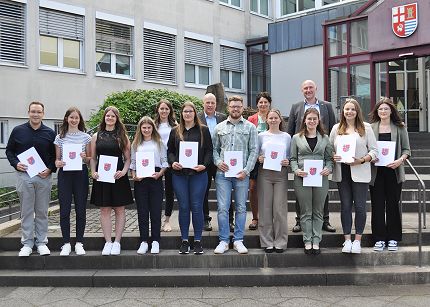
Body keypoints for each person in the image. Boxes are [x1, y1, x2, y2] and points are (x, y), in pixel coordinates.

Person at [6, 101, 56, 257]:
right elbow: (9, 151)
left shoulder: (49, 133)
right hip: (24, 176)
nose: (36, 114)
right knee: (26, 211)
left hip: (43, 177)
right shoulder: (17, 130)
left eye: (39, 112)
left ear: (43, 114)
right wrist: (16, 164)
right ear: (28, 113)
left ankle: (41, 243)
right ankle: (27, 243)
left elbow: (55, 156)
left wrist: (50, 169)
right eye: (33, 111)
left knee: (41, 211)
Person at [287, 80, 337, 233]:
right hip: (302, 153)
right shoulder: (296, 107)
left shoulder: (326, 106)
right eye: (305, 88)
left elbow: (333, 127)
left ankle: (325, 220)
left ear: (316, 89)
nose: (308, 90)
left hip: (321, 151)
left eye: (311, 88)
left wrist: (332, 151)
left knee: (322, 192)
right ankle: (299, 221)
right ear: (302, 90)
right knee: (301, 192)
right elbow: (290, 131)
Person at [330, 98, 378, 254]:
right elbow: (329, 149)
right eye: (346, 109)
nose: (349, 112)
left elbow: (374, 151)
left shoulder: (366, 128)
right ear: (342, 111)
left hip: (360, 171)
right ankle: (347, 240)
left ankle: (357, 240)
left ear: (357, 112)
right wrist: (333, 156)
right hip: (342, 171)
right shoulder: (336, 128)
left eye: (352, 109)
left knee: (360, 206)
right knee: (345, 206)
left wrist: (362, 160)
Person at [213, 95, 258, 254]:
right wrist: (219, 162)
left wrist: (246, 170)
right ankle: (224, 241)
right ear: (228, 108)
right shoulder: (219, 127)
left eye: (238, 106)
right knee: (222, 208)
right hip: (222, 174)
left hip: (241, 175)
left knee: (240, 207)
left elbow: (254, 150)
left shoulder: (250, 128)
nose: (235, 109)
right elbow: (214, 150)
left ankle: (238, 239)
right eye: (233, 106)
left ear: (242, 107)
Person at [167, 101, 213, 255]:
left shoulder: (203, 130)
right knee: (184, 207)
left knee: (197, 207)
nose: (187, 114)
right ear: (181, 114)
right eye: (185, 111)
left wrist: (204, 165)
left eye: (190, 111)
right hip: (180, 176)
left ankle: (198, 241)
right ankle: (185, 241)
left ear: (195, 113)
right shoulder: (175, 131)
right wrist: (173, 162)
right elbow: (170, 151)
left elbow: (209, 151)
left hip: (198, 175)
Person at [90, 106, 133, 256]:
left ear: (117, 118)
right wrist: (93, 171)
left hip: (118, 176)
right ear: (104, 118)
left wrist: (124, 172)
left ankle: (117, 242)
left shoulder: (123, 136)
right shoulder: (96, 136)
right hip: (102, 177)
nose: (110, 118)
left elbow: (128, 159)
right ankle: (108, 241)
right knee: (104, 209)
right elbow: (93, 158)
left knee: (120, 209)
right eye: (107, 116)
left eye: (113, 116)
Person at [369, 97, 411, 252]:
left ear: (391, 111)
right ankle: (379, 239)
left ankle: (393, 238)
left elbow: (407, 149)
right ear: (377, 111)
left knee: (393, 205)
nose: (383, 111)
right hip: (376, 172)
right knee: (377, 205)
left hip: (394, 171)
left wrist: (400, 160)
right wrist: (371, 157)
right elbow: (367, 148)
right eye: (380, 109)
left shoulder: (400, 127)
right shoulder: (371, 128)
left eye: (386, 109)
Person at [290, 108, 333, 255]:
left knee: (318, 210)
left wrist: (328, 168)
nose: (312, 121)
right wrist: (296, 170)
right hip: (302, 178)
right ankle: (307, 240)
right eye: (309, 119)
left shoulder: (325, 138)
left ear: (318, 120)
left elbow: (329, 159)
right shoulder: (296, 138)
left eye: (315, 119)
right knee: (306, 210)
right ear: (304, 120)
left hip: (321, 177)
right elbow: (293, 159)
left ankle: (316, 240)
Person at [54, 107, 91, 256]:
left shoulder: (86, 137)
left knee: (81, 209)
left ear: (80, 120)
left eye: (77, 118)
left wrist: (84, 157)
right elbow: (57, 160)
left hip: (80, 174)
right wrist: (58, 163)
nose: (74, 120)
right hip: (65, 174)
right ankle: (66, 243)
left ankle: (80, 242)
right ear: (66, 119)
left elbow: (89, 160)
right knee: (64, 209)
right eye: (71, 117)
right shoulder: (59, 137)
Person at [131, 116, 168, 254]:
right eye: (144, 127)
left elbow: (165, 162)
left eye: (149, 127)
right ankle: (144, 241)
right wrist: (134, 175)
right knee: (142, 211)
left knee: (156, 211)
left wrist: (160, 174)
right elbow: (133, 163)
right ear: (140, 129)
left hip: (155, 178)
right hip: (141, 180)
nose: (146, 130)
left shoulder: (159, 143)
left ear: (153, 128)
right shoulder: (136, 144)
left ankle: (156, 241)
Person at [257, 109, 291, 253]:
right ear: (267, 120)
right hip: (264, 173)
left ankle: (280, 241)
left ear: (280, 119)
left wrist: (286, 161)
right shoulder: (261, 136)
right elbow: (257, 154)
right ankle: (267, 242)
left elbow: (289, 156)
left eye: (275, 117)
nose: (273, 120)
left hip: (280, 174)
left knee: (279, 209)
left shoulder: (287, 137)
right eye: (270, 118)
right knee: (265, 208)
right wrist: (260, 158)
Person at [197, 93, 228, 231]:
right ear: (203, 103)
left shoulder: (222, 117)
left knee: (226, 191)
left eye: (212, 103)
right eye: (207, 102)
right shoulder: (197, 117)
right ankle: (205, 219)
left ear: (216, 104)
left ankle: (230, 220)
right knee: (203, 190)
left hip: (220, 160)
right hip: (203, 160)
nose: (210, 105)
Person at [247, 92, 271, 230]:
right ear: (257, 104)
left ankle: (267, 217)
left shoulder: (274, 117)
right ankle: (255, 217)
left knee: (267, 189)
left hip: (271, 160)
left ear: (269, 103)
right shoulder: (251, 119)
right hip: (254, 160)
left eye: (265, 102)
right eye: (260, 102)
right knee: (253, 188)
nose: (263, 105)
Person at [154, 99, 177, 232]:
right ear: (158, 109)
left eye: (166, 109)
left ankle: (167, 220)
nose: (164, 111)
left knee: (169, 191)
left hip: (169, 160)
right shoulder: (153, 124)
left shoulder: (175, 125)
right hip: (155, 160)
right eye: (162, 108)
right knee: (157, 192)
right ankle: (156, 218)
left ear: (170, 110)